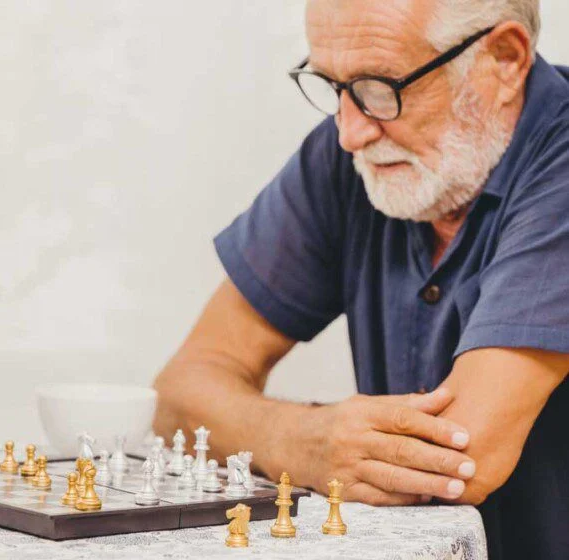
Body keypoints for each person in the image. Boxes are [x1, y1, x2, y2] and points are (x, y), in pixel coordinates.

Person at [152, 1, 569, 558]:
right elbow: (178, 396)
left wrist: (262, 429)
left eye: (381, 87)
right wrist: (301, 439)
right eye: (332, 85)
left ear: (504, 58)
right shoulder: (355, 155)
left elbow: (464, 459)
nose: (349, 132)